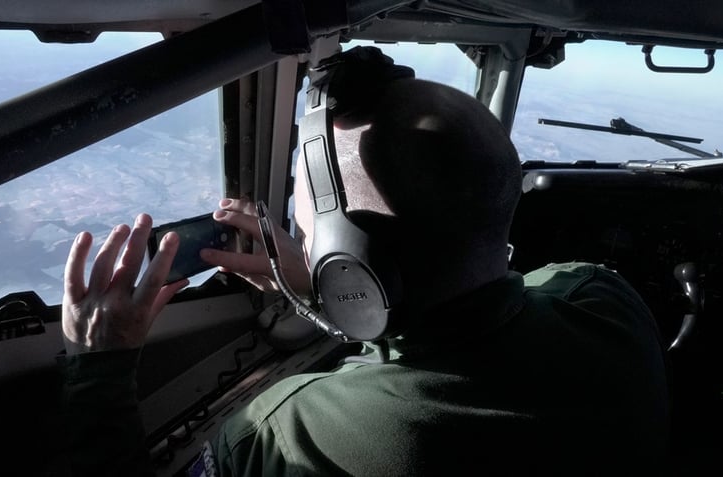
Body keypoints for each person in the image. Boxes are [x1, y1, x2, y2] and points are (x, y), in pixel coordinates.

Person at [59, 52, 670, 476]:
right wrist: (321, 289)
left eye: (303, 227)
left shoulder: (288, 435)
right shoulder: (606, 304)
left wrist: (100, 367)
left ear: (346, 264)